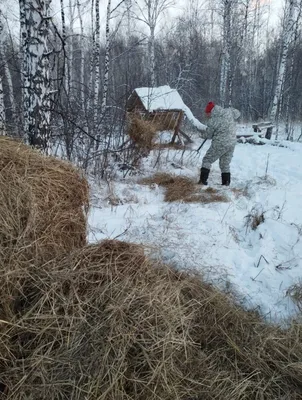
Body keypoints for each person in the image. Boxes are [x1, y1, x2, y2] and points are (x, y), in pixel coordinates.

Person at [198, 101, 240, 186]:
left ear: (211, 112)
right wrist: (231, 111)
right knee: (225, 163)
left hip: (220, 142)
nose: (207, 115)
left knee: (207, 160)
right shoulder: (228, 112)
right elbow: (238, 113)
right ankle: (226, 183)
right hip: (232, 142)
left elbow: (208, 135)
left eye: (207, 113)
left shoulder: (213, 120)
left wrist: (200, 134)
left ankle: (202, 181)